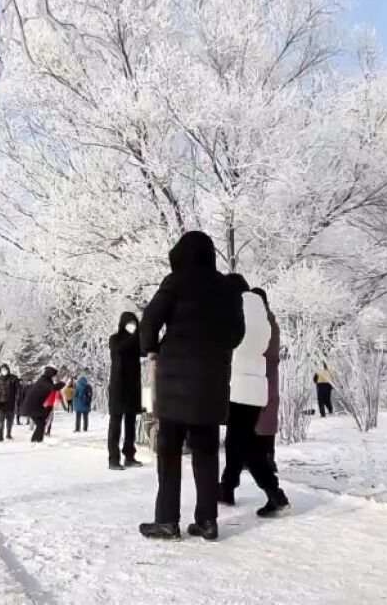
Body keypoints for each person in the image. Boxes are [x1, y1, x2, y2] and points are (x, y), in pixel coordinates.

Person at [138, 231, 245, 542]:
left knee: (169, 452)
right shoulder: (227, 289)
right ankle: (207, 521)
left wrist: (152, 348)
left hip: (174, 385)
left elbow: (149, 322)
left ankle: (167, 521)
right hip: (211, 386)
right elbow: (237, 335)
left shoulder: (176, 281)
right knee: (207, 453)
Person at [219, 275, 289, 518]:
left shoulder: (233, 307)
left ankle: (275, 494)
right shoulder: (261, 312)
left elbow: (225, 341)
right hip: (256, 386)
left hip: (236, 384)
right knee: (241, 442)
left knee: (244, 445)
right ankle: (229, 488)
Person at [107, 312, 144, 470]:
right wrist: (135, 335)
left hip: (132, 387)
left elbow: (145, 350)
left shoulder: (136, 341)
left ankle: (130, 455)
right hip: (118, 387)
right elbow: (120, 349)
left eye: (134, 323)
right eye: (129, 323)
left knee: (130, 424)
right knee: (115, 423)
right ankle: (113, 459)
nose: (132, 326)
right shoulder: (115, 339)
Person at [251, 287, 281, 475]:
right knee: (266, 417)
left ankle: (264, 459)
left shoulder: (262, 323)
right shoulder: (270, 321)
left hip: (261, 374)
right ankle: (267, 457)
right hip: (268, 374)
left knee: (260, 417)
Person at [23, 366, 61, 443]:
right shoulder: (43, 381)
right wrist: (64, 382)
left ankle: (38, 440)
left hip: (36, 406)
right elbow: (54, 388)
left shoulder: (45, 380)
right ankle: (35, 441)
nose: (55, 377)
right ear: (50, 374)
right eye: (54, 376)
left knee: (42, 423)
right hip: (31, 407)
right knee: (40, 424)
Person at [0, 364, 22, 441]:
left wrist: (17, 399)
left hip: (10, 402)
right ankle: (0, 436)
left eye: (5, 370)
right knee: (0, 420)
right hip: (0, 402)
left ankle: (8, 434)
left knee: (10, 419)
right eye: (2, 370)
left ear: (8, 370)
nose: (4, 371)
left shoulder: (14, 378)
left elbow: (18, 390)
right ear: (0, 371)